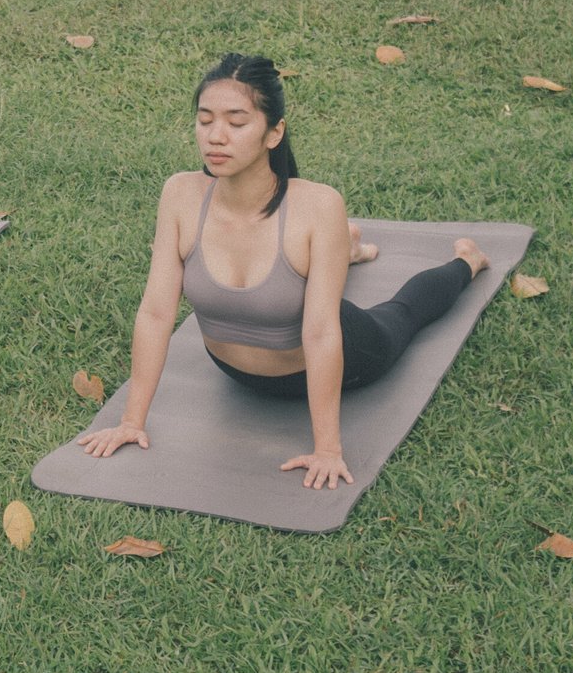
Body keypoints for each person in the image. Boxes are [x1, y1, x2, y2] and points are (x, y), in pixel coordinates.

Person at [77, 52, 490, 489]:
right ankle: (343, 250)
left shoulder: (317, 205)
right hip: (234, 370)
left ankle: (468, 261)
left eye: (237, 123)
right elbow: (156, 313)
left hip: (341, 360)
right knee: (308, 267)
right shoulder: (180, 194)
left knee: (402, 314)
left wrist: (327, 449)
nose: (215, 136)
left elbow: (322, 333)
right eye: (204, 120)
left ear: (274, 132)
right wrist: (131, 421)